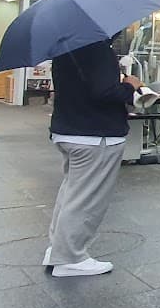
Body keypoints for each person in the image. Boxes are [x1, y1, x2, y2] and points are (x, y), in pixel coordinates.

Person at [42, 40, 140, 278]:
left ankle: (58, 249)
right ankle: (70, 257)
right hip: (96, 134)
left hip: (69, 129)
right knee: (86, 199)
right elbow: (104, 92)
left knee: (71, 193)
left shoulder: (65, 48)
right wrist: (130, 86)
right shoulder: (98, 50)